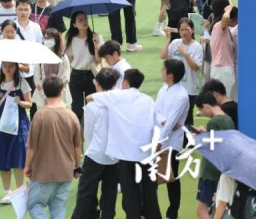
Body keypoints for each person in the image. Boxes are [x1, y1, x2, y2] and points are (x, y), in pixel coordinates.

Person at [88, 69, 161, 219]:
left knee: (130, 195)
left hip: (126, 154)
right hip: (146, 153)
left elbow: (90, 98)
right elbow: (159, 123)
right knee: (149, 193)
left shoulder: (117, 95)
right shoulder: (148, 100)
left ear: (126, 82)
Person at [24, 76, 81, 219]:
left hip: (42, 172)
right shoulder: (71, 116)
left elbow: (32, 147)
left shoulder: (39, 116)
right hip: (65, 171)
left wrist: (27, 166)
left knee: (35, 205)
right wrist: (77, 166)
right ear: (62, 92)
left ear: (44, 91)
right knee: (59, 208)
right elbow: (77, 146)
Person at [0, 59, 32, 204]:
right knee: (2, 158)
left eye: (10, 66)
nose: (7, 68)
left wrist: (19, 102)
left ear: (16, 67)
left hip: (18, 124)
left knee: (18, 158)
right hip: (1, 125)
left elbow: (30, 103)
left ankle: (20, 192)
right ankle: (7, 192)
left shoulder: (22, 83)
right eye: (4, 66)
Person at [71, 68, 119, 219]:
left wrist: (88, 150)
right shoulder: (119, 104)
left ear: (97, 84)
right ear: (114, 84)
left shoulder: (92, 106)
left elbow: (88, 133)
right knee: (110, 192)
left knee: (85, 192)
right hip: (113, 155)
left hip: (95, 154)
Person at [155, 59, 190, 219]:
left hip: (171, 143)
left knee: (172, 178)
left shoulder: (182, 96)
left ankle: (172, 212)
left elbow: (170, 125)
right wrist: (164, 120)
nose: (162, 71)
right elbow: (156, 111)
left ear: (171, 75)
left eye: (164, 69)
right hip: (158, 137)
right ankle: (150, 211)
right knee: (152, 176)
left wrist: (159, 142)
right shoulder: (163, 89)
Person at [193, 91, 235, 219]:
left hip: (210, 171)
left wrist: (197, 138)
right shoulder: (227, 119)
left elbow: (211, 148)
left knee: (202, 209)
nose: (203, 113)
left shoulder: (213, 122)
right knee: (217, 208)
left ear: (206, 106)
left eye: (201, 110)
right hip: (222, 170)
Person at [161, 18, 203, 125]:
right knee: (171, 118)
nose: (184, 32)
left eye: (187, 29)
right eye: (181, 30)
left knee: (187, 121)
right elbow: (163, 55)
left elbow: (195, 67)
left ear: (192, 29)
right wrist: (168, 39)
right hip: (173, 88)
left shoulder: (197, 47)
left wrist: (185, 54)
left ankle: (188, 136)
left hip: (189, 89)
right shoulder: (175, 43)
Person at [64, 12, 104, 124]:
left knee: (93, 107)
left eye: (85, 19)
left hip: (92, 75)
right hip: (76, 76)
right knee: (77, 109)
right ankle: (79, 132)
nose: (84, 22)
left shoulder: (96, 37)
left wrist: (96, 46)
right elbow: (69, 60)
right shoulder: (72, 40)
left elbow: (99, 61)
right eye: (80, 20)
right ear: (74, 24)